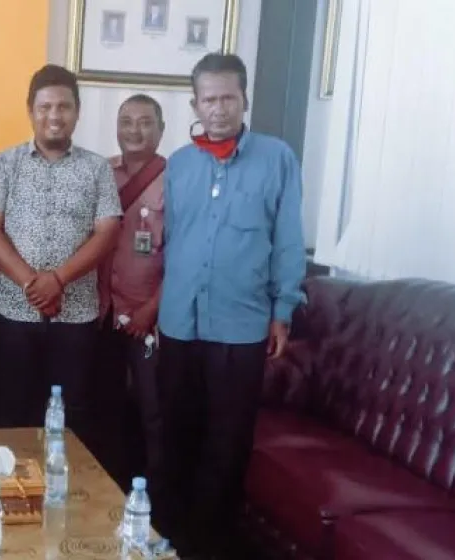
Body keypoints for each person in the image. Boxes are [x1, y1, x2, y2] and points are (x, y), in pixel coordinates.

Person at [156, 53, 305, 557]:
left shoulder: (277, 159)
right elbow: (171, 240)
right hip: (179, 323)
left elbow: (288, 240)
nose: (218, 109)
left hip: (241, 327)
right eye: (208, 99)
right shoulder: (179, 164)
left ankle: (210, 545)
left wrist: (283, 310)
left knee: (227, 443)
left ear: (244, 100)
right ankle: (168, 539)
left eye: (227, 98)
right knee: (176, 435)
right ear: (195, 104)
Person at [0, 64, 121, 446]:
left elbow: (107, 231)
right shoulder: (5, 163)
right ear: (30, 110)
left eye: (64, 106)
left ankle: (65, 482)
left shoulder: (97, 168)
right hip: (14, 311)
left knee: (72, 413)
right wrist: (32, 284)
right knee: (12, 411)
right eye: (45, 107)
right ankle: (13, 483)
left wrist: (57, 280)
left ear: (77, 111)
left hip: (75, 314)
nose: (54, 115)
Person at [94, 94, 166, 489]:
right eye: (126, 121)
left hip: (149, 318)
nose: (134, 130)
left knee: (153, 411)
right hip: (103, 312)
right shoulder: (101, 172)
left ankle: (154, 496)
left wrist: (152, 309)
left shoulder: (175, 180)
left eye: (145, 122)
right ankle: (107, 487)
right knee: (104, 406)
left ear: (161, 129)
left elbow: (185, 256)